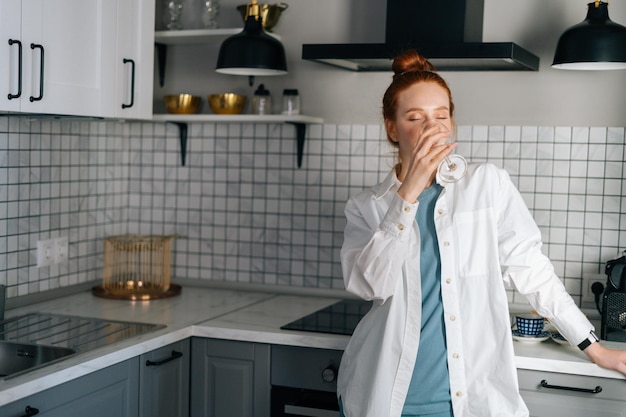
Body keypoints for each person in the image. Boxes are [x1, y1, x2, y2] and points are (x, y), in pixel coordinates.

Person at [337, 49, 626, 417]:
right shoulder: (367, 206)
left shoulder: (487, 184)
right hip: (385, 396)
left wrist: (593, 347)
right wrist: (407, 194)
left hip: (470, 400)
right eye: (415, 117)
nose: (431, 128)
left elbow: (532, 270)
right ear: (392, 128)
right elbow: (368, 286)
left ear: (452, 124)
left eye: (441, 116)